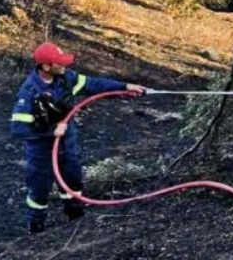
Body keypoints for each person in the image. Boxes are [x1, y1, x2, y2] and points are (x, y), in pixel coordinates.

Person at [9, 42, 146, 233]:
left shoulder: (66, 78)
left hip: (67, 138)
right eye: (59, 63)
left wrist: (125, 86)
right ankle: (36, 225)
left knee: (72, 177)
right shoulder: (29, 93)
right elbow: (18, 128)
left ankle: (74, 215)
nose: (65, 66)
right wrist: (51, 131)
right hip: (42, 147)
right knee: (40, 186)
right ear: (46, 67)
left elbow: (93, 84)